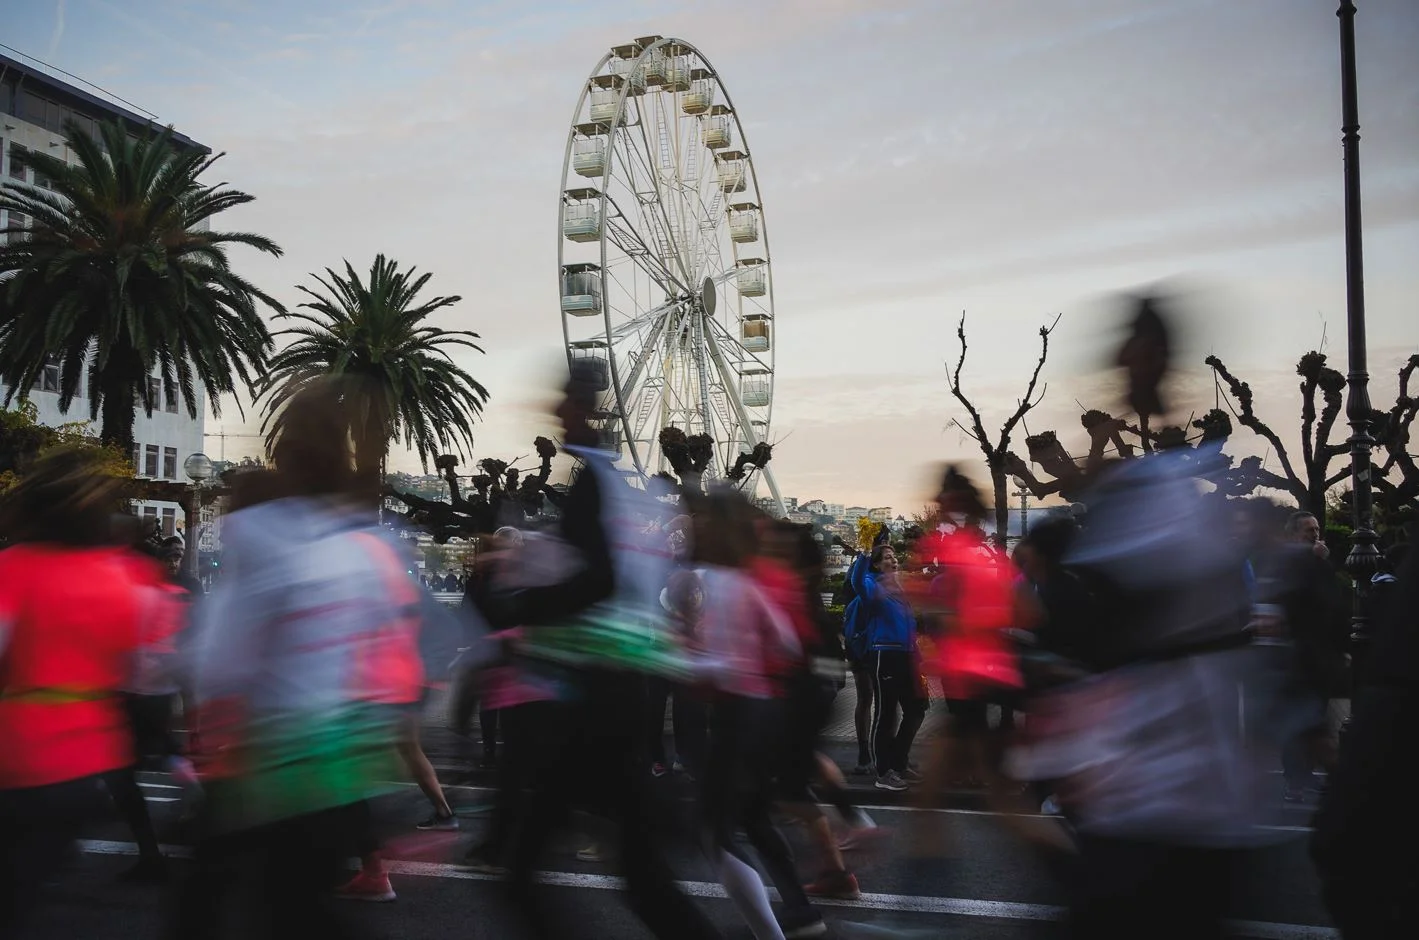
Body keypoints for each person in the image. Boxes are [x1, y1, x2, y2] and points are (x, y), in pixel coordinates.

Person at [477, 362, 722, 940]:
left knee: (525, 876)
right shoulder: (615, 486)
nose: (555, 412)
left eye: (565, 400)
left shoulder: (591, 483)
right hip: (617, 692)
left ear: (586, 407)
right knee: (642, 879)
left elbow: (598, 581)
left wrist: (521, 608)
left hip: (593, 699)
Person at [171, 378, 419, 939]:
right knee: (298, 909)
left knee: (208, 905)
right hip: (339, 762)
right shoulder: (365, 545)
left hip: (265, 759)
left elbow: (221, 660)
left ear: (284, 450)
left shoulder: (259, 532)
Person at [0, 450, 170, 937]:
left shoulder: (14, 570)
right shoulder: (119, 579)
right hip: (86, 761)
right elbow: (136, 668)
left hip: (17, 757)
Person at [851, 539, 927, 792]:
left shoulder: (898, 589)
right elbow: (857, 582)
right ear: (875, 564)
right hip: (885, 655)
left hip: (907, 655)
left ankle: (899, 762)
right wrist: (863, 554)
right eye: (886, 557)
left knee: (917, 709)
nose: (893, 560)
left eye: (894, 557)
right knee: (886, 713)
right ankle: (883, 771)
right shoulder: (871, 585)